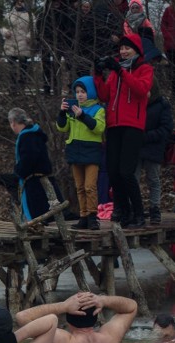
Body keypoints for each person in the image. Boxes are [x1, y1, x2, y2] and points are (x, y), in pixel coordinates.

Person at [94, 33, 153, 228]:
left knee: (126, 172)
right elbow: (103, 95)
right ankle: (123, 210)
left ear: (136, 50)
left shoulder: (144, 69)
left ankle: (138, 213)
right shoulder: (114, 73)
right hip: (114, 125)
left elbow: (140, 90)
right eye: (121, 48)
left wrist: (120, 71)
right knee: (113, 170)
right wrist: (97, 74)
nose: (123, 51)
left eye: (127, 48)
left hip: (133, 126)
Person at [16, 292, 137, 343]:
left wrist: (62, 306)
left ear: (68, 318)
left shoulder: (63, 342)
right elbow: (132, 307)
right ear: (96, 315)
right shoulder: (111, 337)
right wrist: (103, 300)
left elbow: (22, 317)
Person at [57, 75, 107, 230]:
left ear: (91, 92)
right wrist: (62, 113)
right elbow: (62, 128)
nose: (80, 95)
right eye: (77, 91)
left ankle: (93, 216)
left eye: (83, 91)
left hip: (91, 151)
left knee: (90, 186)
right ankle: (83, 215)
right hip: (75, 151)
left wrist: (83, 116)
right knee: (79, 186)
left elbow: (99, 128)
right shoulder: (73, 108)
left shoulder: (98, 109)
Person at [8, 107, 66, 221]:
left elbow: (28, 159)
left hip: (35, 182)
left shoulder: (27, 137)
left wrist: (18, 170)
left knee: (38, 215)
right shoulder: (35, 133)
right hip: (42, 178)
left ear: (13, 123)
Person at [135, 87, 174, 225]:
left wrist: (148, 136)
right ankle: (135, 209)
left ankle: (155, 209)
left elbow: (166, 128)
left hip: (154, 146)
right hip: (136, 146)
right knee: (133, 178)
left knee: (153, 179)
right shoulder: (135, 102)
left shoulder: (162, 105)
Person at [37, 0, 76, 96]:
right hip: (47, 44)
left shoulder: (66, 15)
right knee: (47, 66)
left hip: (63, 44)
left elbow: (70, 30)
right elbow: (39, 30)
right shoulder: (43, 16)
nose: (56, 3)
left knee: (68, 65)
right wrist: (44, 41)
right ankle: (47, 87)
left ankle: (69, 87)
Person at [0, 0, 34, 93]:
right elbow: (2, 26)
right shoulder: (9, 15)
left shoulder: (29, 15)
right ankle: (12, 87)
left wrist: (29, 36)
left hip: (24, 45)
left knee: (23, 68)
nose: (20, 3)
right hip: (11, 44)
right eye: (18, 1)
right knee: (12, 68)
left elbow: (33, 28)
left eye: (22, 1)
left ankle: (22, 87)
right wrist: (5, 32)